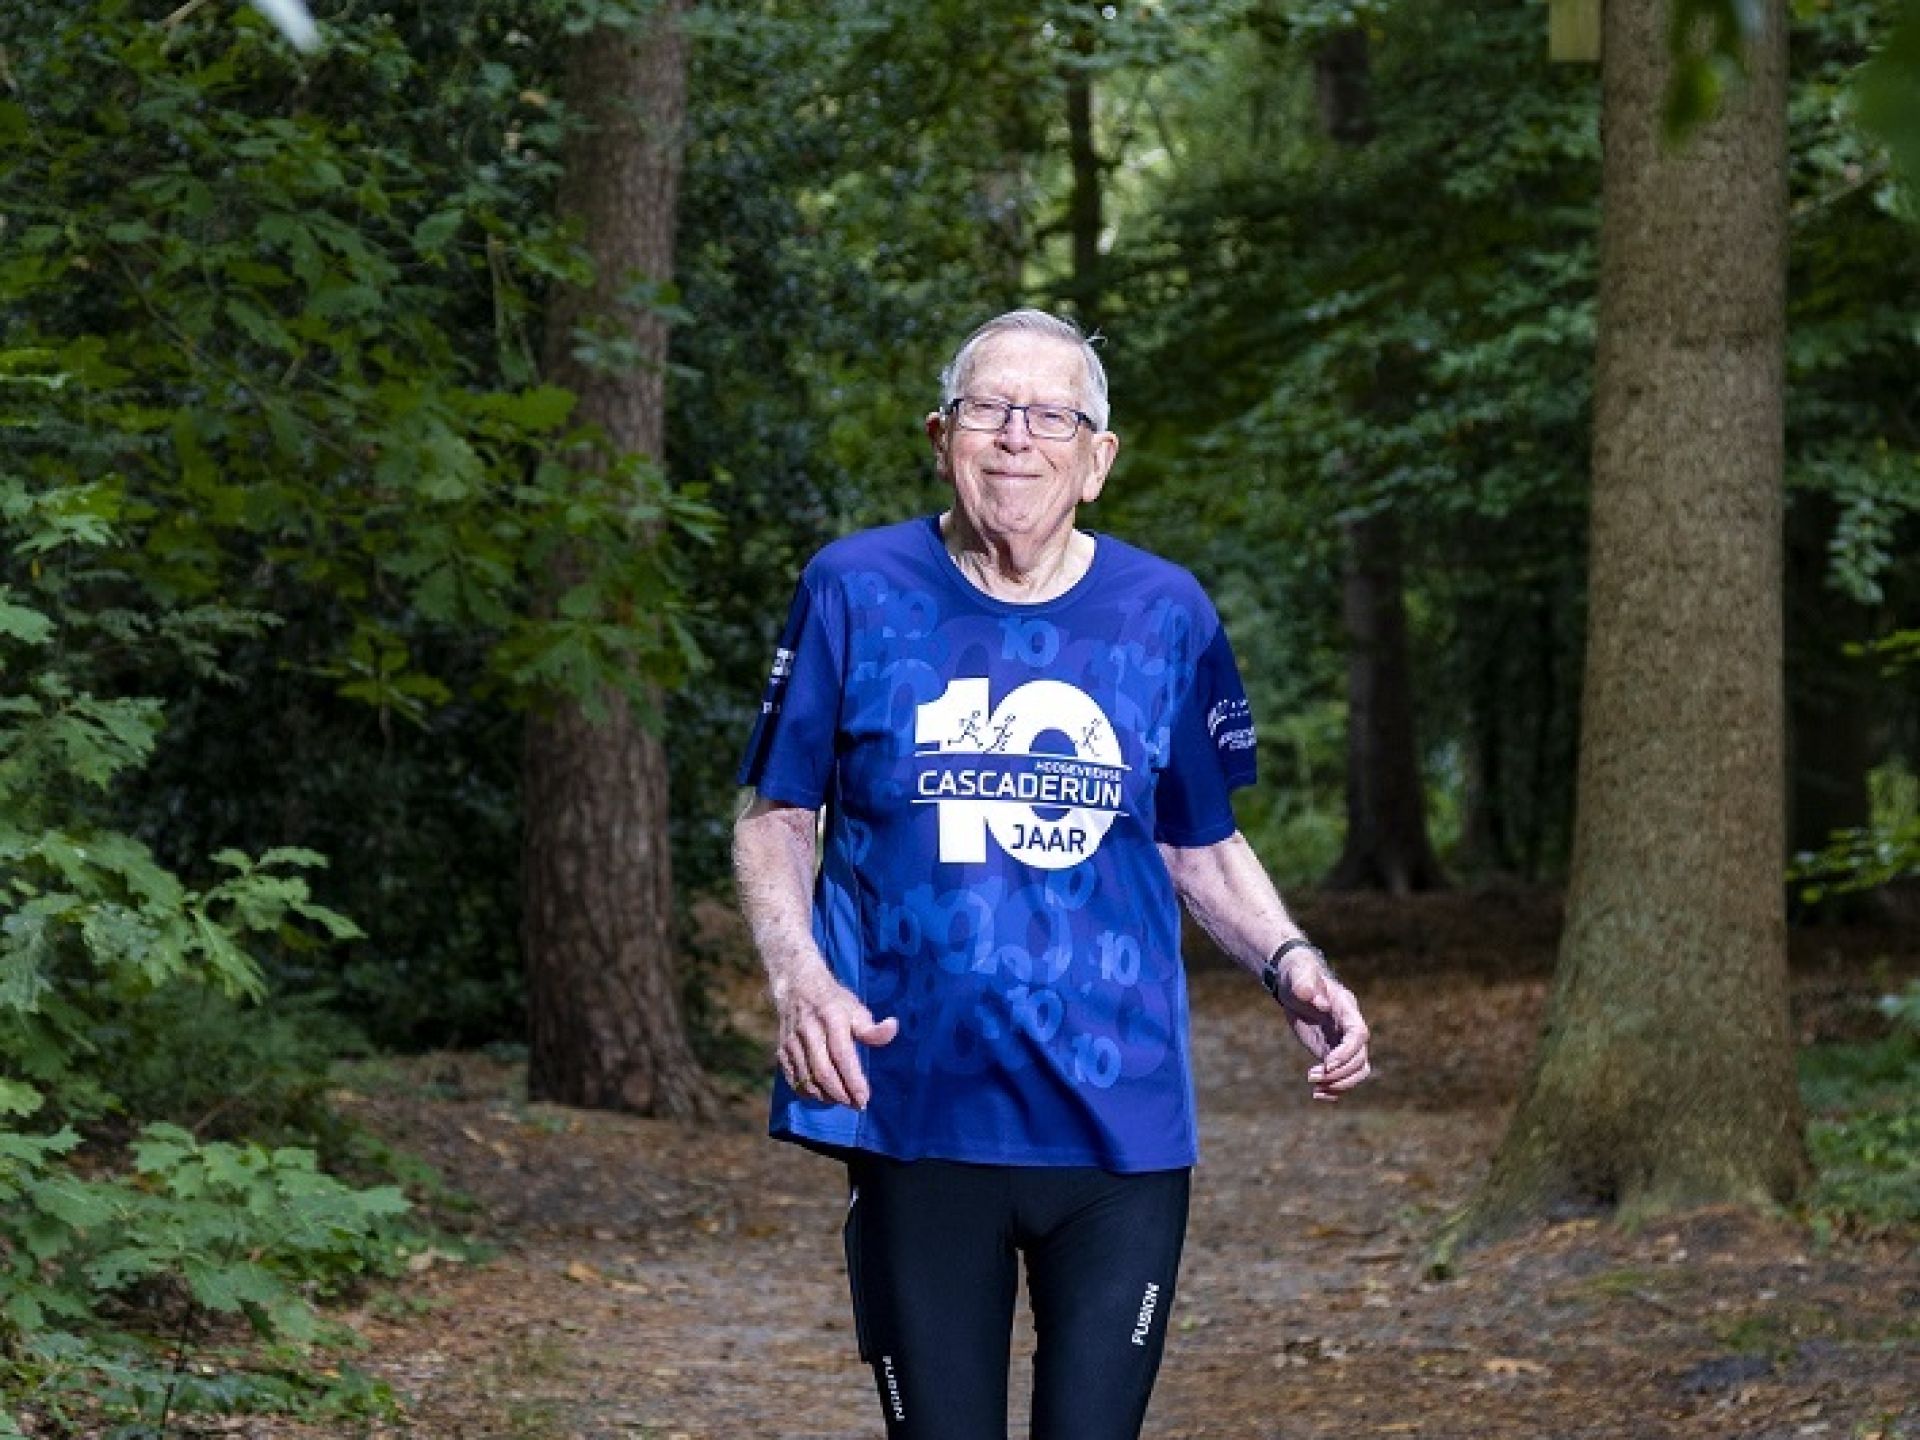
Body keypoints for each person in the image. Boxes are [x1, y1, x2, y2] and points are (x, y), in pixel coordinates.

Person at [732, 309, 1372, 1440]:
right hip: (915, 1109)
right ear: (942, 436)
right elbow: (778, 814)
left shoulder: (1166, 613)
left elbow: (1198, 840)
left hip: (1119, 1123)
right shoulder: (851, 588)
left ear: (1098, 458)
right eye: (989, 408)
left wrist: (1291, 962)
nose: (1018, 436)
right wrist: (801, 980)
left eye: (1052, 416)